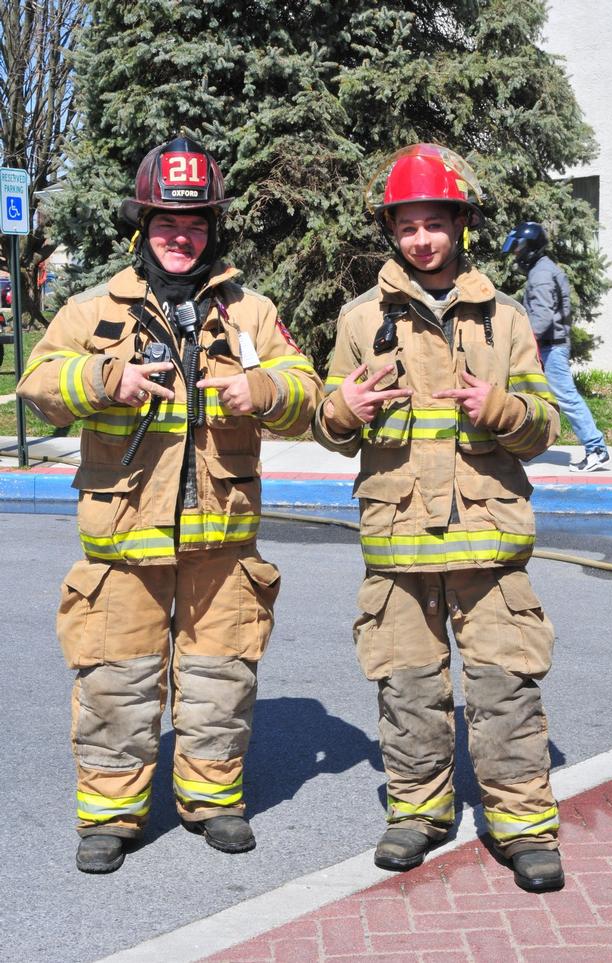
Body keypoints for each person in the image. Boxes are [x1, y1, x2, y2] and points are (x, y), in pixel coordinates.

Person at [17, 135, 322, 874]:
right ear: (141, 227)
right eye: (164, 223)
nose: (179, 237)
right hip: (124, 539)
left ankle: (213, 800)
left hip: (223, 542)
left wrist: (267, 390)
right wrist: (103, 379)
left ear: (211, 227)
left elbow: (308, 393)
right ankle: (112, 815)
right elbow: (37, 382)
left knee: (220, 677)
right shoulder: (95, 309)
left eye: (192, 224)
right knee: (116, 680)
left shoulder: (250, 312)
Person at [313, 143, 564, 893]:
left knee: (505, 685)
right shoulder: (361, 320)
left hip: (489, 542)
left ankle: (521, 823)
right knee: (407, 685)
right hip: (398, 540)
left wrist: (504, 409)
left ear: (460, 223)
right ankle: (418, 812)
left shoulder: (506, 319)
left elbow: (545, 423)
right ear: (392, 230)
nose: (422, 238)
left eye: (435, 223)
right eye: (408, 225)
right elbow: (330, 417)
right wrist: (341, 410)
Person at [502, 221, 609, 472]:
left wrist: (520, 341)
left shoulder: (541, 274)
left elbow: (541, 319)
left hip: (551, 348)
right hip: (551, 346)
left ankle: (596, 449)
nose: (516, 253)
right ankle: (519, 446)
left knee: (567, 398)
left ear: (530, 247)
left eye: (519, 248)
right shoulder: (543, 269)